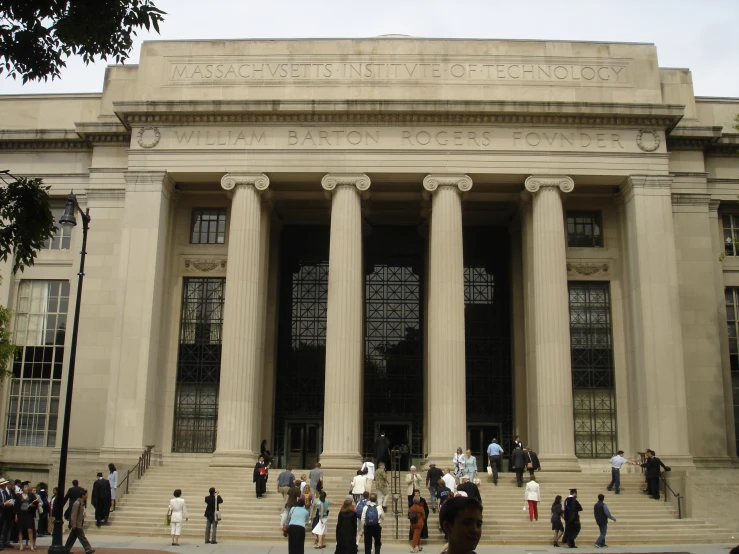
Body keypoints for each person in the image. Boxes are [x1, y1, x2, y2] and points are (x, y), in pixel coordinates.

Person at [64, 489, 94, 554]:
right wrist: (74, 524)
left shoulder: (81, 503)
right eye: (86, 495)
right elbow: (73, 514)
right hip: (77, 524)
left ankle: (66, 550)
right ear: (83, 495)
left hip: (79, 523)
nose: (87, 496)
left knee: (72, 538)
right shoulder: (77, 503)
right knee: (82, 537)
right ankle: (88, 548)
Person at [15, 482, 38, 551]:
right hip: (21, 514)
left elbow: (36, 504)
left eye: (27, 487)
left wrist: (32, 506)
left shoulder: (31, 495)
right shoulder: (18, 496)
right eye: (25, 487)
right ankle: (21, 545)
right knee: (20, 529)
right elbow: (16, 506)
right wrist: (16, 515)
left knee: (30, 529)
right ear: (22, 488)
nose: (27, 488)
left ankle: (31, 545)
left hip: (29, 514)